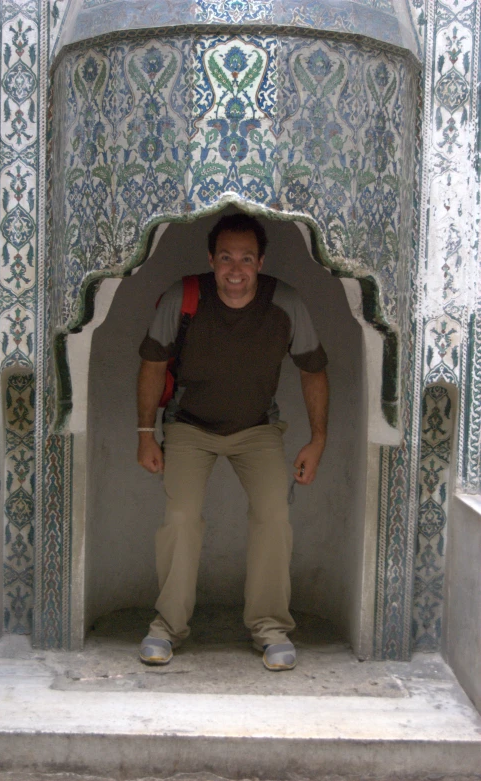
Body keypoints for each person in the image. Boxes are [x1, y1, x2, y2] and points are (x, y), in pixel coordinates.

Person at [136, 214, 329, 671]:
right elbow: (152, 365)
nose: (235, 270)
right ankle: (167, 626)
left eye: (246, 259)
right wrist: (146, 434)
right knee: (181, 517)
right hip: (188, 426)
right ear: (211, 259)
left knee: (274, 516)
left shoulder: (285, 302)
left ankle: (269, 626)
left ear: (260, 262)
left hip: (257, 427)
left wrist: (318, 439)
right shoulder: (184, 298)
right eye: (226, 258)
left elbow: (313, 369)